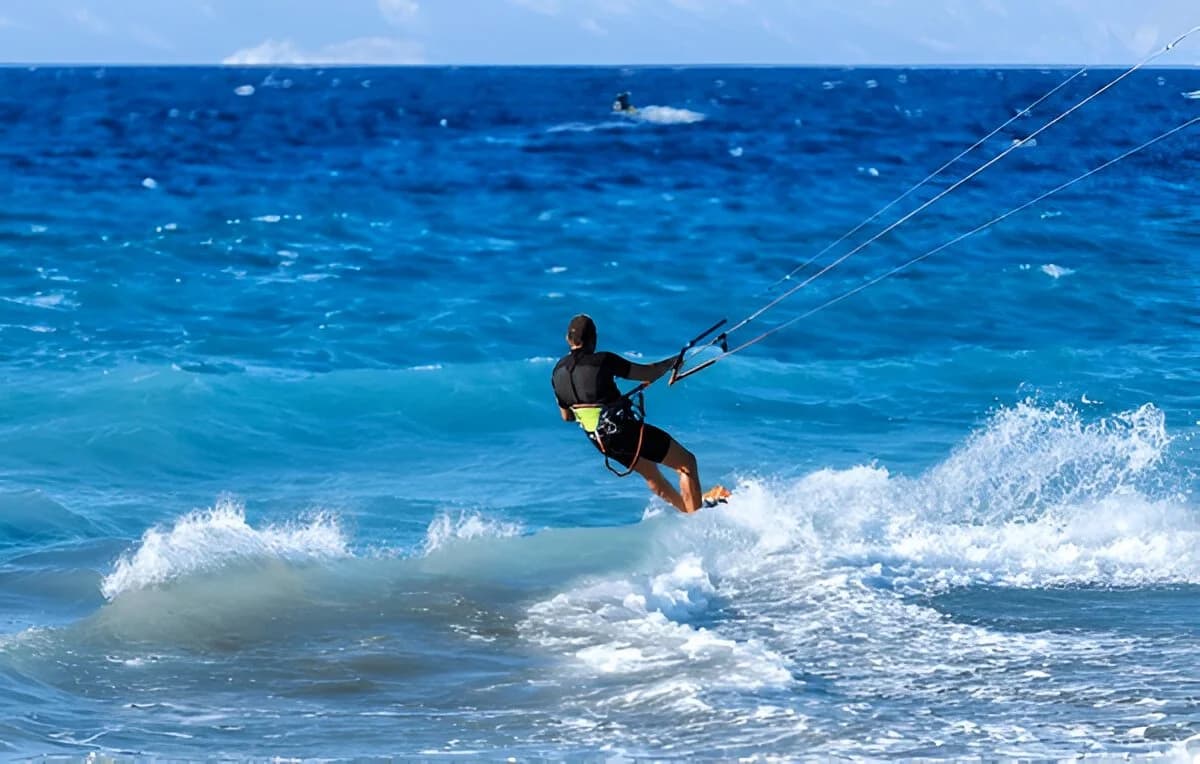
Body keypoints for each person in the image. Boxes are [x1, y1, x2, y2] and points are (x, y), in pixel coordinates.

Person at [551, 314, 729, 513]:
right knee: (687, 463)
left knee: (651, 474)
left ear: (568, 339)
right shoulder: (603, 361)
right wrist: (673, 362)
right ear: (594, 338)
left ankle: (688, 511)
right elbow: (649, 373)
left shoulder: (558, 372)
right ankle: (698, 519)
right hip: (624, 433)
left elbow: (567, 417)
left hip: (600, 441)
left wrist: (596, 409)